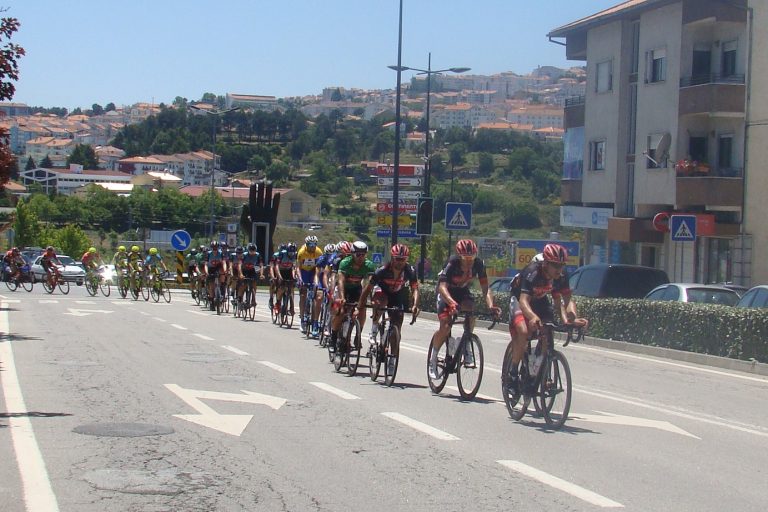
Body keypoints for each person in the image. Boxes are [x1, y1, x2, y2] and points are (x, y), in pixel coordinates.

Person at [504, 243, 587, 394]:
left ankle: (539, 370)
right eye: (555, 266)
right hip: (519, 299)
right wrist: (533, 317)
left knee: (548, 329)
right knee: (523, 331)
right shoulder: (533, 272)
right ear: (546, 263)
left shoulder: (561, 276)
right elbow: (523, 301)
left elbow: (566, 301)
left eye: (562, 265)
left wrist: (572, 319)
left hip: (539, 300)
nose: (559, 270)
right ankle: (513, 374)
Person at [429, 239, 501, 379]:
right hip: (446, 293)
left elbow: (486, 288)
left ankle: (467, 342)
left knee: (471, 310)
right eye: (465, 259)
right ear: (459, 256)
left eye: (472, 258)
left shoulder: (479, 264)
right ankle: (433, 358)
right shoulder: (452, 263)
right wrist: (451, 303)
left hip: (462, 292)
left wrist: (491, 305)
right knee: (445, 327)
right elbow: (442, 287)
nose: (469, 262)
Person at [358, 243, 420, 373]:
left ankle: (393, 359)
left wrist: (415, 305)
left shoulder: (410, 271)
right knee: (380, 302)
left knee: (397, 326)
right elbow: (367, 289)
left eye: (403, 259)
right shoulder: (382, 270)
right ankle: (374, 329)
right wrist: (360, 305)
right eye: (397, 259)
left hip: (397, 294)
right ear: (392, 258)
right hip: (382, 290)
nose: (400, 262)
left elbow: (415, 289)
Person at [331, 241, 376, 353]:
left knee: (362, 309)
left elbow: (369, 284)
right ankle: (333, 338)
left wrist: (370, 299)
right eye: (358, 255)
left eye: (363, 254)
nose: (361, 257)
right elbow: (340, 281)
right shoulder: (345, 263)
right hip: (343, 289)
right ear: (352, 254)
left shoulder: (368, 265)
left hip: (356, 289)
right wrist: (342, 297)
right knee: (340, 312)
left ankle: (357, 335)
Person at [297, 235, 324, 334]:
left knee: (317, 294)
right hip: (304, 271)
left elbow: (319, 268)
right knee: (303, 294)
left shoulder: (318, 252)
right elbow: (298, 268)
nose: (312, 246)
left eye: (314, 244)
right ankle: (302, 320)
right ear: (306, 244)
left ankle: (314, 321)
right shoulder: (301, 252)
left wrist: (318, 282)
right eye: (310, 244)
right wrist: (300, 279)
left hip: (313, 271)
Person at [204, 241, 228, 308]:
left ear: (218, 248)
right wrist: (206, 272)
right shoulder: (208, 254)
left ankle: (222, 293)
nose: (215, 249)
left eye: (216, 248)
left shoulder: (221, 253)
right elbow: (206, 264)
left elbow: (224, 263)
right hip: (211, 268)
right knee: (212, 287)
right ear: (211, 248)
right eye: (213, 248)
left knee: (222, 275)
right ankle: (211, 301)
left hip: (219, 267)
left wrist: (225, 270)